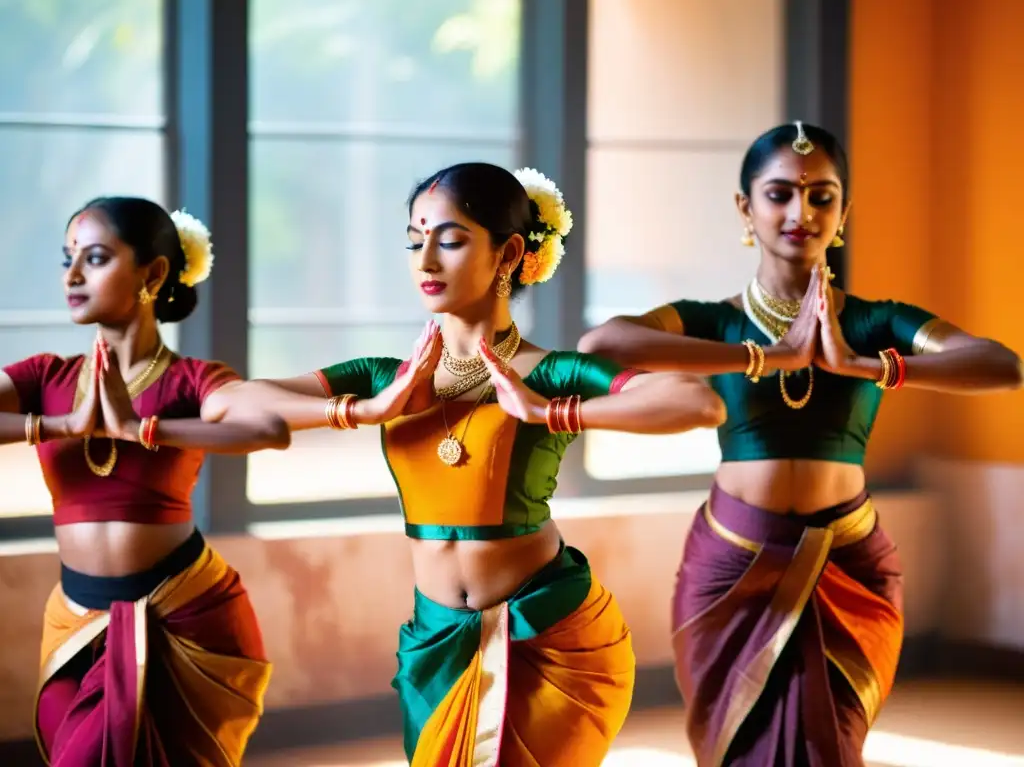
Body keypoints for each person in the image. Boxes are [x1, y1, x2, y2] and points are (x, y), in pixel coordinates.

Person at [220, 162, 726, 766]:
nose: (425, 260)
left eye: (450, 240)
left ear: (510, 252)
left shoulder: (550, 372)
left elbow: (697, 402)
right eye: (415, 240)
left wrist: (552, 413)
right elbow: (230, 401)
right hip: (436, 638)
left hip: (547, 634)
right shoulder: (385, 378)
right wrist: (365, 409)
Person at [577, 122, 1023, 766]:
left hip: (847, 563)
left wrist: (870, 366)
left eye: (822, 197)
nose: (800, 212)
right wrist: (761, 355)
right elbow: (603, 343)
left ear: (844, 211)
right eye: (779, 193)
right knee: (734, 747)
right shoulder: (713, 321)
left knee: (831, 747)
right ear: (745, 208)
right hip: (731, 563)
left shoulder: (874, 323)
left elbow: (1000, 365)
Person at [0, 197, 289, 766]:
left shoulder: (191, 380)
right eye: (67, 260)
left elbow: (269, 428)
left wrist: (140, 429)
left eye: (97, 258)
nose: (73, 275)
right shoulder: (46, 378)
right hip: (76, 623)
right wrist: (57, 425)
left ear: (153, 274)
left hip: (181, 614)